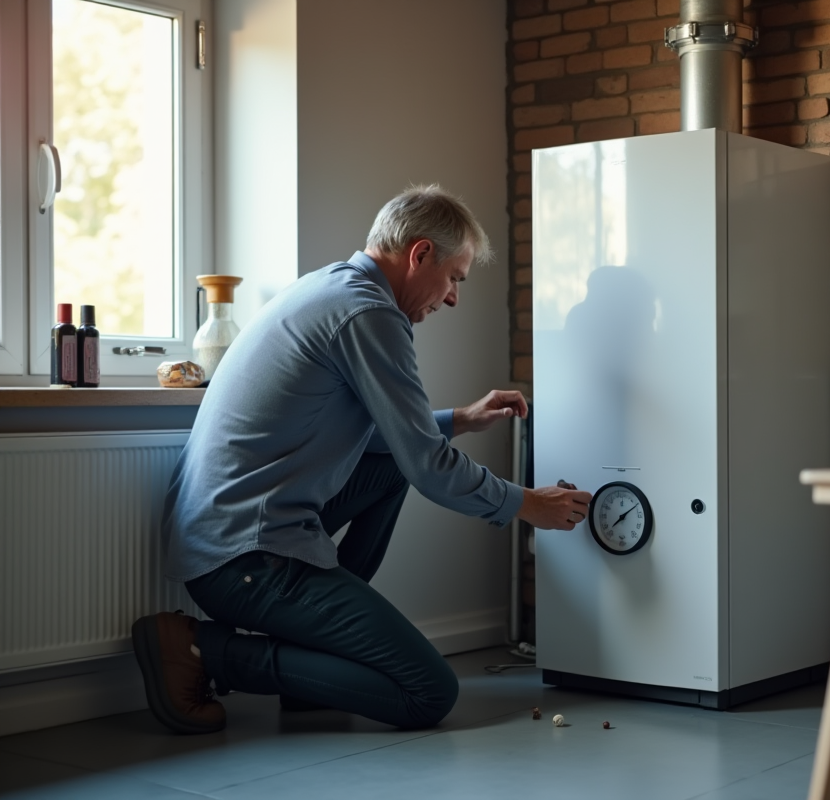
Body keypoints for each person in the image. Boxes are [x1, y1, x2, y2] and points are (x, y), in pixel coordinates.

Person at [132, 185, 592, 735]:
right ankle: (205, 652)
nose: (452, 298)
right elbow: (429, 467)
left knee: (392, 466)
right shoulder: (369, 313)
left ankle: (308, 656)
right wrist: (528, 504)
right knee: (427, 692)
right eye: (455, 278)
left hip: (227, 540)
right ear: (420, 254)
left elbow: (390, 443)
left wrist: (460, 419)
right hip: (244, 559)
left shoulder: (332, 286)